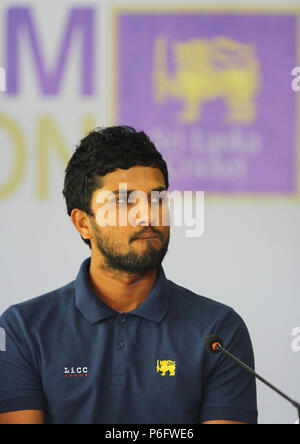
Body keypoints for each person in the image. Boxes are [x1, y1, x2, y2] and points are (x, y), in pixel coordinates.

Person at [0, 126, 257, 424]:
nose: (148, 216)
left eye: (157, 199)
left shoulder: (219, 332)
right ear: (83, 223)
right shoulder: (21, 330)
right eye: (124, 201)